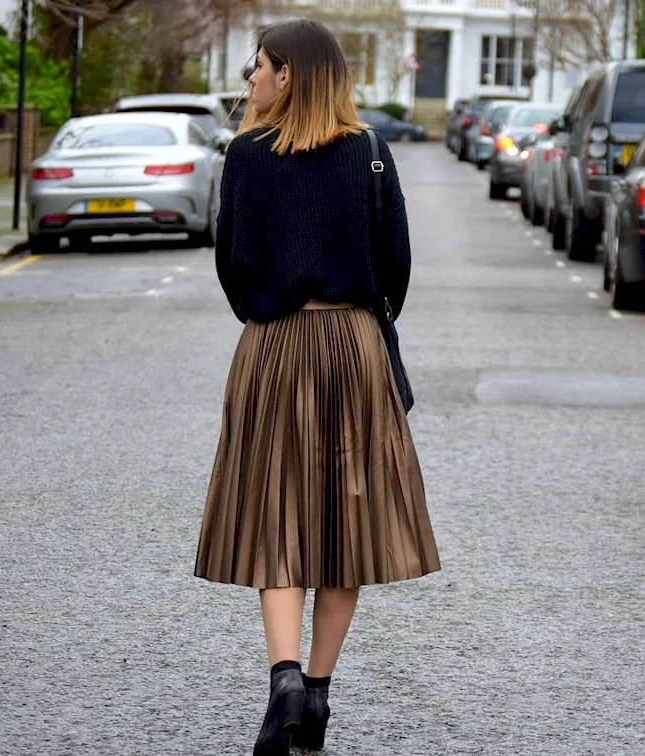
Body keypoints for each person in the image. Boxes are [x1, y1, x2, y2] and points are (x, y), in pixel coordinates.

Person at [194, 18, 441, 756]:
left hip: (272, 347)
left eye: (258, 67)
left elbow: (232, 265)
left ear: (289, 74)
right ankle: (321, 696)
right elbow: (395, 263)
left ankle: (285, 682)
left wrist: (270, 310)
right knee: (347, 523)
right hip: (355, 348)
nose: (250, 80)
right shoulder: (369, 151)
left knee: (276, 514)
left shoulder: (245, 156)